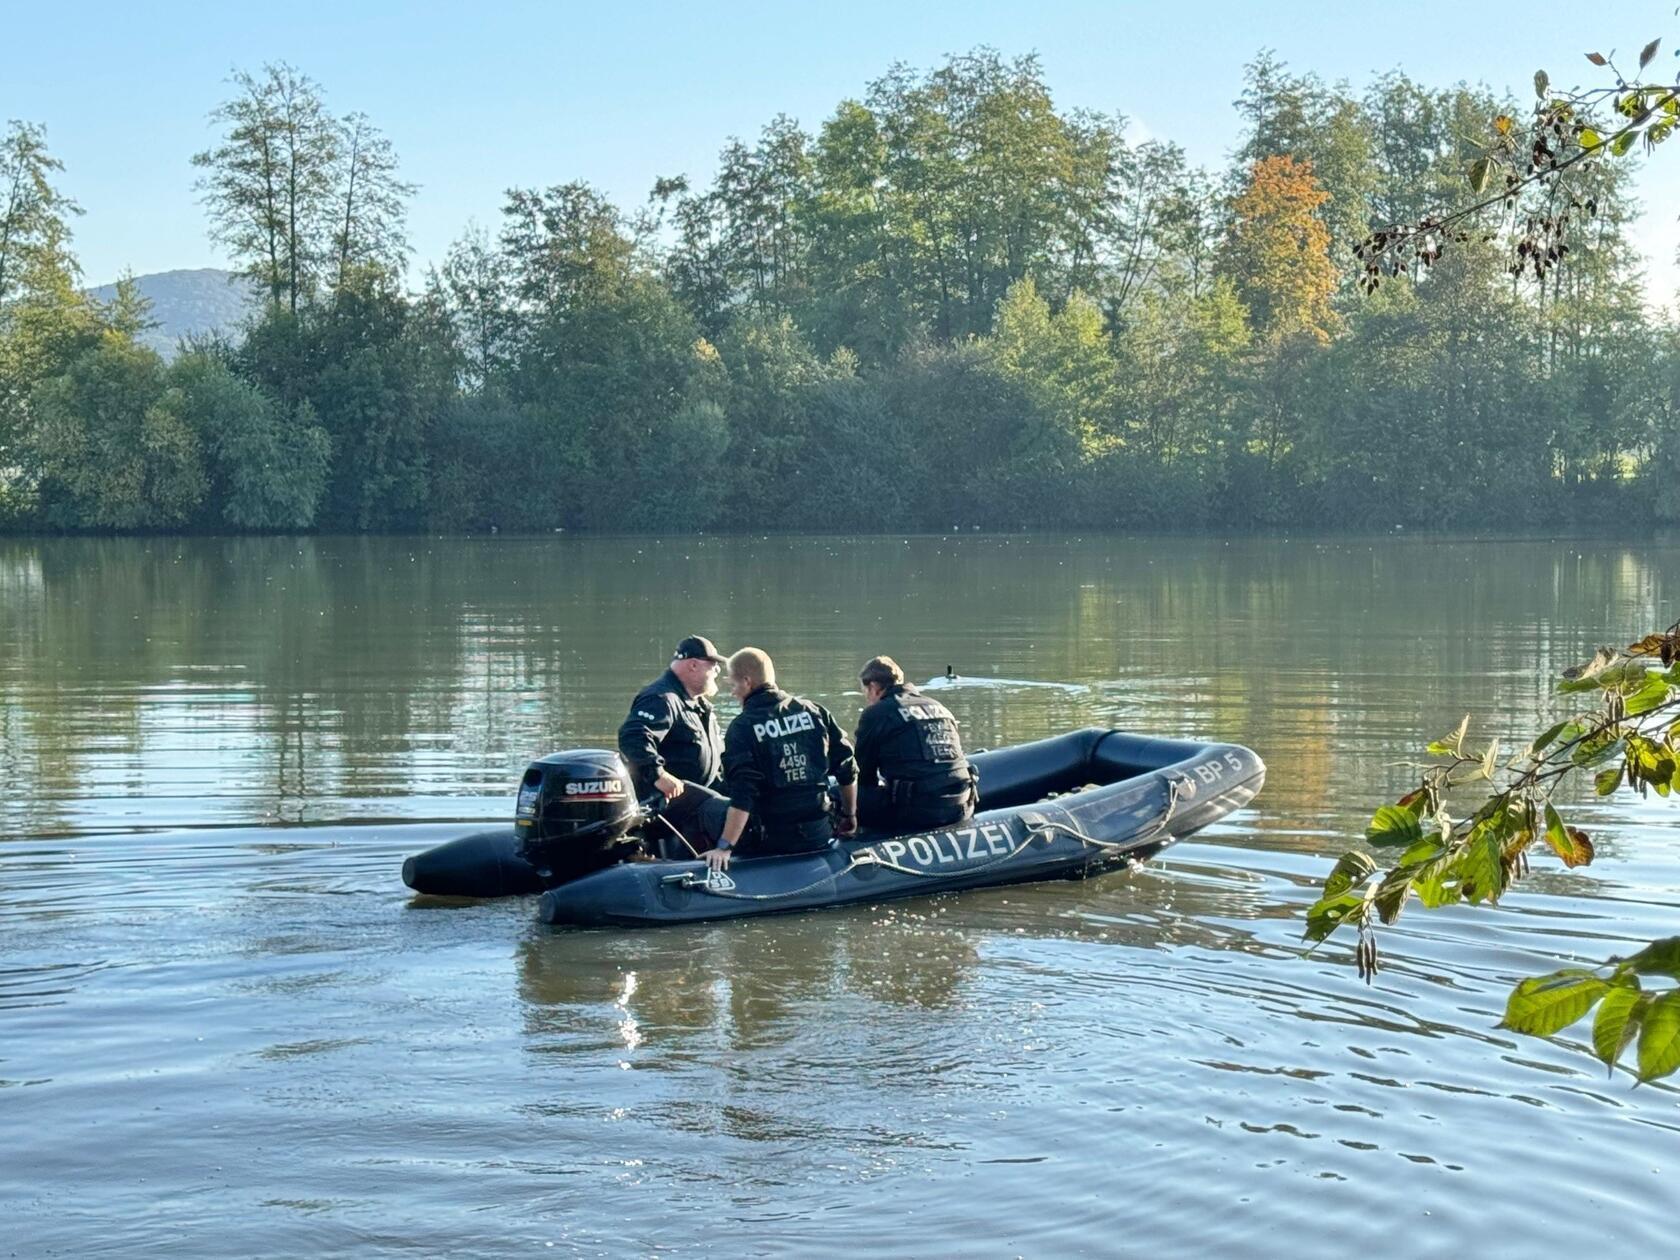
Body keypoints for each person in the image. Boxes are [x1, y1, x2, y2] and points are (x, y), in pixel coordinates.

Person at [702, 647, 858, 871]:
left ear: (747, 682)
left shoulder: (742, 727)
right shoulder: (815, 712)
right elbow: (847, 767)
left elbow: (744, 791)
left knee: (702, 805)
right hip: (818, 832)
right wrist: (849, 815)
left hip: (772, 839)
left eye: (733, 685)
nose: (733, 692)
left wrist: (725, 846)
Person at [618, 635, 730, 850]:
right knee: (726, 812)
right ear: (693, 665)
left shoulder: (698, 705)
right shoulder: (662, 698)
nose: (717, 671)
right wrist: (658, 774)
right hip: (673, 804)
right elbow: (633, 735)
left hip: (700, 798)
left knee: (741, 806)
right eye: (713, 665)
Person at [853, 655, 977, 834]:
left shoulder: (876, 714)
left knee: (840, 793)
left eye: (864, 691)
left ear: (873, 687)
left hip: (917, 813)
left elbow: (862, 775)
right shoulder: (939, 707)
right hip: (962, 805)